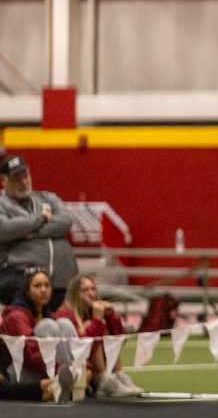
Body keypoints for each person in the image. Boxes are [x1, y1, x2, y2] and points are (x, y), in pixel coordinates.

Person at [0, 155, 79, 313]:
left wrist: (31, 233)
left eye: (26, 176)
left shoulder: (47, 198)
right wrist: (41, 218)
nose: (23, 181)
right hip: (22, 283)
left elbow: (66, 221)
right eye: (17, 178)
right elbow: (4, 229)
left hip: (62, 281)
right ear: (4, 180)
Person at [55, 273, 142, 397]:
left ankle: (118, 375)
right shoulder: (65, 314)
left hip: (90, 364)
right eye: (85, 290)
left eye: (93, 289)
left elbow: (119, 340)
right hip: (75, 364)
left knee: (103, 331)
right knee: (96, 329)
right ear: (75, 294)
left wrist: (110, 315)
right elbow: (83, 348)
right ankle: (104, 378)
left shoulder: (93, 311)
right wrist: (96, 321)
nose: (91, 294)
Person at [0, 267, 79, 392]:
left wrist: (86, 368)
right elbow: (29, 355)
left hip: (44, 368)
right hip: (18, 371)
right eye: (37, 286)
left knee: (64, 323)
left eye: (47, 286)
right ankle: (63, 379)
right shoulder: (16, 316)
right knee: (47, 325)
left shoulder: (47, 314)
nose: (43, 290)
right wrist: (60, 369)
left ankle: (73, 377)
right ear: (27, 291)